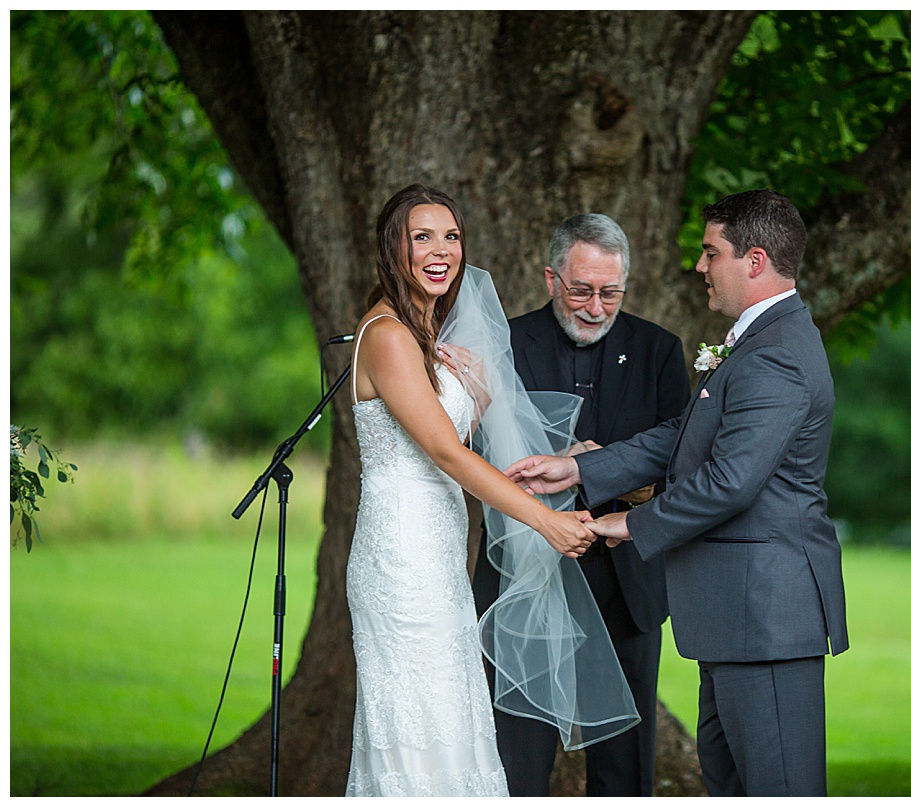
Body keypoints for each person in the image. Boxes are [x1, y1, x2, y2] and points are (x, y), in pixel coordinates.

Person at [505, 189, 848, 797]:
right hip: (736, 621)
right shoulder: (757, 342)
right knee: (732, 784)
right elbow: (683, 436)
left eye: (710, 251)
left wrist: (624, 525)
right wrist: (582, 471)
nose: (698, 266)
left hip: (764, 616)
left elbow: (728, 481)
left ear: (755, 259)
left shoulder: (777, 355)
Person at [345, 185, 637, 796]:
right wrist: (544, 519)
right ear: (391, 247)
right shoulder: (389, 334)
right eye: (421, 236)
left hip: (440, 547)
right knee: (417, 720)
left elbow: (441, 433)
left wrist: (474, 397)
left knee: (453, 715)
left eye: (451, 237)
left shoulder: (425, 336)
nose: (441, 250)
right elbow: (446, 453)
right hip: (400, 553)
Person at [471, 213, 690, 796]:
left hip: (625, 586)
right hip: (523, 579)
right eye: (581, 290)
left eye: (610, 293)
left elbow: (681, 467)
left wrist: (597, 466)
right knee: (515, 757)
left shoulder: (660, 351)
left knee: (624, 770)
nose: (596, 306)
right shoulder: (503, 343)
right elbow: (469, 456)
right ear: (550, 278)